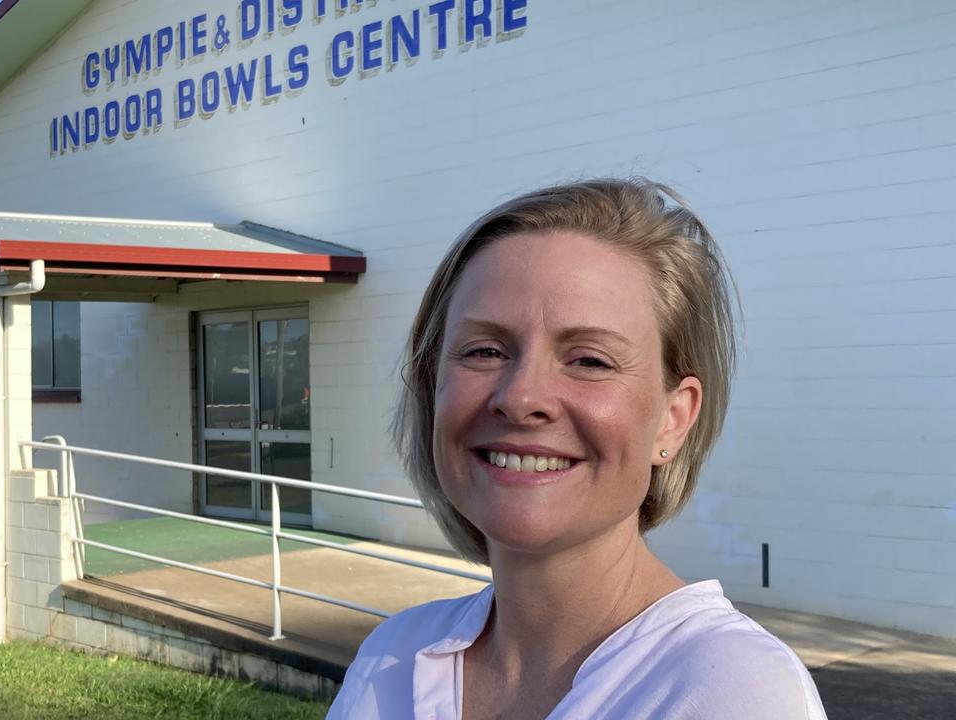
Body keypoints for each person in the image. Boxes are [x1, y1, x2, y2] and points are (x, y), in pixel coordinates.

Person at [327, 178, 827, 719]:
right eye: (485, 350)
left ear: (673, 419)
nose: (520, 398)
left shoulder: (731, 691)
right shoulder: (393, 655)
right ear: (432, 389)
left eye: (589, 360)